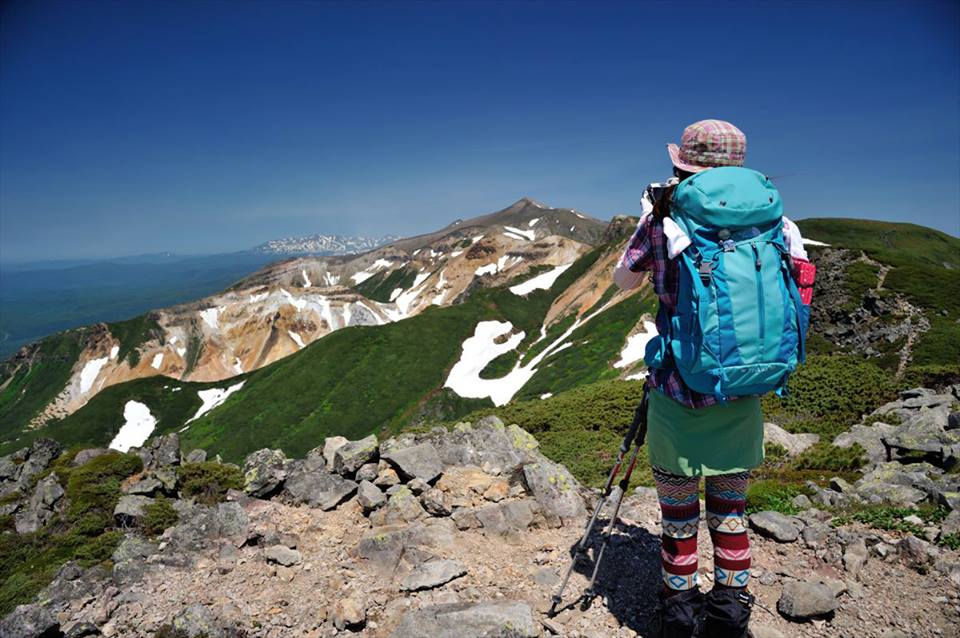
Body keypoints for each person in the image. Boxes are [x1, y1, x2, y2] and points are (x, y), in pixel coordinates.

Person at [613, 119, 814, 638]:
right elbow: (800, 294)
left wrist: (649, 219)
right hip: (744, 393)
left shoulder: (665, 221)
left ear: (681, 164)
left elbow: (623, 277)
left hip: (679, 394)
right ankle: (730, 616)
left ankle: (678, 616)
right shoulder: (778, 224)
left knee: (678, 519)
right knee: (731, 511)